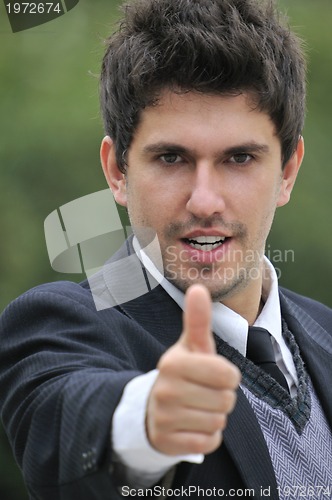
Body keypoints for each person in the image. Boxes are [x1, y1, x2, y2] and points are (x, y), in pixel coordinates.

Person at [1, 0, 332, 498]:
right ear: (117, 171)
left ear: (287, 172)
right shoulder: (61, 323)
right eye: (171, 157)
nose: (204, 201)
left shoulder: (326, 331)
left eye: (239, 158)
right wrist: (149, 417)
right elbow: (65, 418)